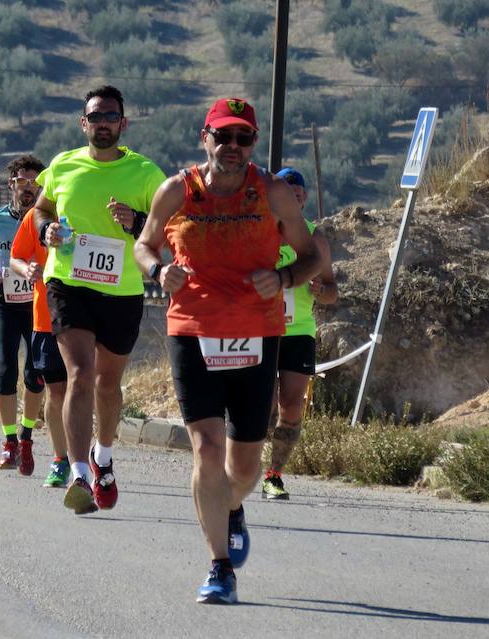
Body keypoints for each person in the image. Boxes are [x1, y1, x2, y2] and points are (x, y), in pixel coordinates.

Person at [134, 98, 321, 604]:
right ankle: (219, 568)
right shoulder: (178, 190)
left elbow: (313, 256)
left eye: (243, 139)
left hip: (258, 335)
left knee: (242, 466)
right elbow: (144, 244)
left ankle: (232, 508)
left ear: (252, 145)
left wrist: (282, 277)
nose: (232, 148)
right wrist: (157, 271)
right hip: (193, 332)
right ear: (205, 138)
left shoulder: (272, 192)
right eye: (223, 137)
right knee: (206, 449)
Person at [33, 85, 166, 514]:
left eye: (111, 116)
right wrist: (44, 231)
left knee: (108, 384)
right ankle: (78, 473)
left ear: (123, 124)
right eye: (96, 116)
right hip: (68, 283)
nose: (103, 122)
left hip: (122, 290)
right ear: (83, 123)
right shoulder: (63, 165)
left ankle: (103, 459)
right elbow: (41, 209)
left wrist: (138, 221)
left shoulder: (146, 174)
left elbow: (171, 229)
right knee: (81, 375)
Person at [262, 167, 338, 500]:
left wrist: (321, 290)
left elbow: (333, 292)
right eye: (286, 195)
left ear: (304, 199)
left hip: (299, 331)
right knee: (262, 409)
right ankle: (243, 463)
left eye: (298, 196)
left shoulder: (313, 237)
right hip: (260, 329)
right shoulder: (260, 233)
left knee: (291, 406)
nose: (293, 201)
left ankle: (274, 474)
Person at [0, 155, 47, 474]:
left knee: (34, 374)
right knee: (7, 370)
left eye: (35, 182)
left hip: (36, 304)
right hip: (4, 301)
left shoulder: (47, 220)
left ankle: (27, 437)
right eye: (22, 182)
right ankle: (8, 442)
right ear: (11, 185)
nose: (28, 188)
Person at [10, 206, 70, 487]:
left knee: (83, 390)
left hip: (87, 316)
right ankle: (61, 460)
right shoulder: (36, 216)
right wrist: (28, 268)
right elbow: (16, 258)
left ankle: (92, 457)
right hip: (46, 319)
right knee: (55, 391)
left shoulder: (87, 206)